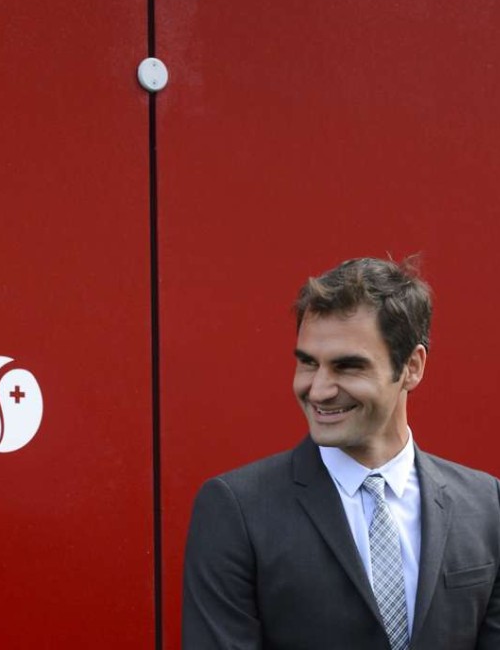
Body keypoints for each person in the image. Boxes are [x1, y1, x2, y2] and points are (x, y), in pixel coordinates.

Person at [182, 257, 500, 649]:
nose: (318, 390)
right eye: (308, 364)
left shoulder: (486, 504)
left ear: (412, 367)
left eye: (347, 367)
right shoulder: (237, 510)